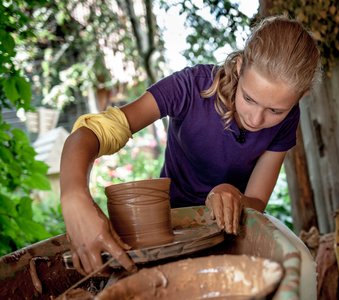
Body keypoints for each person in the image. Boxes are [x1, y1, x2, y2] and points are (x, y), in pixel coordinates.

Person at [59, 15, 322, 275]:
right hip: (167, 229)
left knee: (303, 267)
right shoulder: (189, 88)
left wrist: (234, 195)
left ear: (301, 96)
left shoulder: (289, 117)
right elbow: (89, 135)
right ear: (240, 67)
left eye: (275, 110)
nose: (256, 119)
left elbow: (257, 199)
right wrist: (74, 197)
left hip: (227, 230)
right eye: (249, 98)